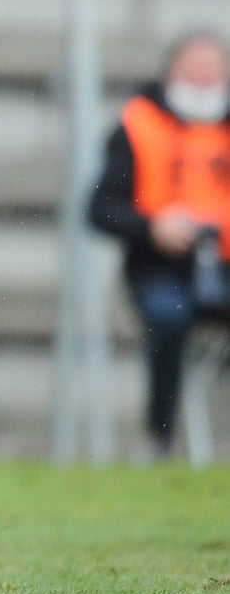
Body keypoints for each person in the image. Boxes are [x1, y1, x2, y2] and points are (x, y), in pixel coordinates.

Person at [89, 30, 230, 457]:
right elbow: (100, 209)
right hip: (160, 267)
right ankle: (159, 436)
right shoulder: (138, 123)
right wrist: (153, 228)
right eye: (194, 67)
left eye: (211, 68)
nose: (204, 77)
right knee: (168, 317)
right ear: (172, 71)